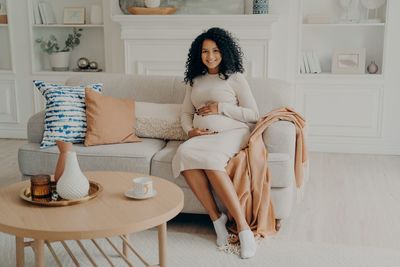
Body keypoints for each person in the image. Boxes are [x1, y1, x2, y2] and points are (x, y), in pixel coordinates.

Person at [172, 27, 260, 259]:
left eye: (215, 50)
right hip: (203, 136)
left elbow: (253, 114)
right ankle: (216, 219)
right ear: (198, 54)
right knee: (183, 155)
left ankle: (243, 229)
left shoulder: (236, 78)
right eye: (205, 51)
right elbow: (184, 113)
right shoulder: (195, 80)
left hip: (233, 132)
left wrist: (220, 108)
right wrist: (190, 131)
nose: (210, 56)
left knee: (212, 161)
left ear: (225, 52)